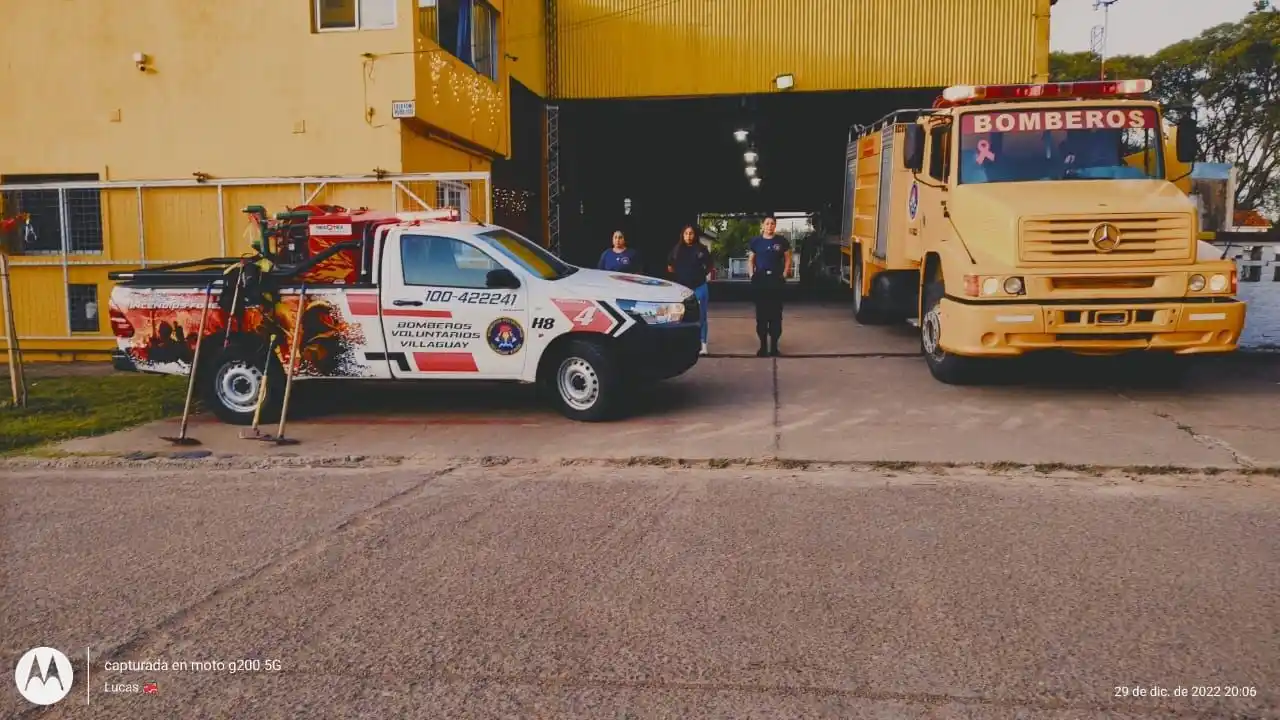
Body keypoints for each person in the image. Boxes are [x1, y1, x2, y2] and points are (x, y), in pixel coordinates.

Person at [747, 216, 792, 357]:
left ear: (775, 226)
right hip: (761, 281)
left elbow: (788, 258)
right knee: (761, 316)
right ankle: (763, 347)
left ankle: (774, 347)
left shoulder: (781, 241)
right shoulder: (756, 242)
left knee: (776, 316)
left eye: (772, 224)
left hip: (776, 281)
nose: (770, 226)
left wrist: (784, 274)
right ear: (763, 225)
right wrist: (751, 275)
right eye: (767, 223)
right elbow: (751, 260)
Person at [667, 225, 713, 355]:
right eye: (686, 233)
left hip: (699, 287)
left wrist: (700, 274)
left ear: (695, 235)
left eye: (691, 233)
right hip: (682, 289)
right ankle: (681, 345)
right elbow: (670, 267)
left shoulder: (701, 249)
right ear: (682, 235)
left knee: (701, 316)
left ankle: (703, 345)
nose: (688, 236)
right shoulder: (676, 250)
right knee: (679, 316)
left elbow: (710, 265)